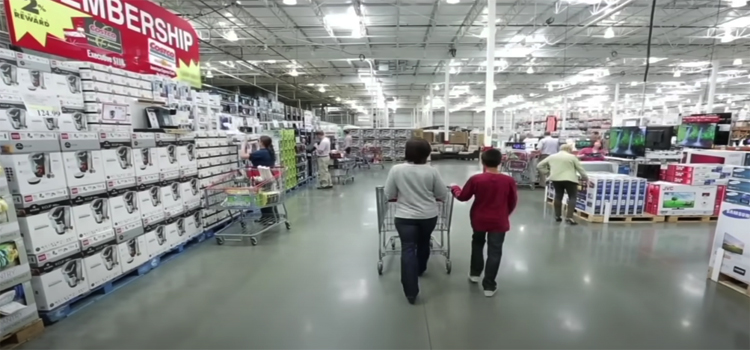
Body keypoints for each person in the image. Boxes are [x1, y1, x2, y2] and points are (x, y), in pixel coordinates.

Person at [384, 138, 449, 304]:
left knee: (407, 248)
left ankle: (410, 292)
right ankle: (420, 269)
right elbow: (442, 193)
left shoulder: (396, 169)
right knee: (424, 241)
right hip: (428, 216)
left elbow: (389, 193)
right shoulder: (432, 171)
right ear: (427, 153)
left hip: (404, 217)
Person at [450, 148, 517, 297]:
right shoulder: (508, 181)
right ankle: (489, 285)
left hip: (479, 219)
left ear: (483, 161)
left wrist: (454, 188)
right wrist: (504, 214)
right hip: (499, 221)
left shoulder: (477, 179)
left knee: (477, 243)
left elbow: (463, 197)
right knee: (495, 251)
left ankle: (474, 273)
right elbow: (512, 202)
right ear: (500, 162)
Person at [536, 144, 589, 225]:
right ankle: (569, 217)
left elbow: (539, 165)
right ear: (569, 149)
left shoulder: (552, 156)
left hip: (556, 179)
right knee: (572, 196)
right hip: (570, 180)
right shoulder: (572, 157)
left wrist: (548, 172)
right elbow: (580, 169)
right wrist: (585, 178)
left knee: (558, 195)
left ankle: (557, 216)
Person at [240, 135, 278, 224]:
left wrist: (243, 144)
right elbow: (253, 155)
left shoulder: (262, 152)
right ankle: (270, 217)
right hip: (268, 177)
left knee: (264, 198)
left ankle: (269, 218)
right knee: (268, 197)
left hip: (262, 178)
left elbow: (242, 156)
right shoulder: (268, 151)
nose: (257, 142)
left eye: (259, 141)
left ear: (261, 142)